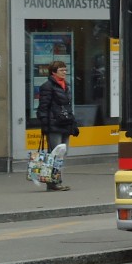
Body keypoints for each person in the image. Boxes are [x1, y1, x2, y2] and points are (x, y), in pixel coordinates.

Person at [36, 60, 78, 192]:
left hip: (65, 123)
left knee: (63, 154)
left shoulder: (67, 85)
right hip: (54, 124)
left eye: (65, 70)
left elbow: (68, 107)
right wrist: (44, 122)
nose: (64, 72)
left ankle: (56, 181)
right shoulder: (47, 86)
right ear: (53, 72)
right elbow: (43, 107)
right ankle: (53, 182)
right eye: (61, 70)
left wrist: (73, 123)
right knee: (54, 154)